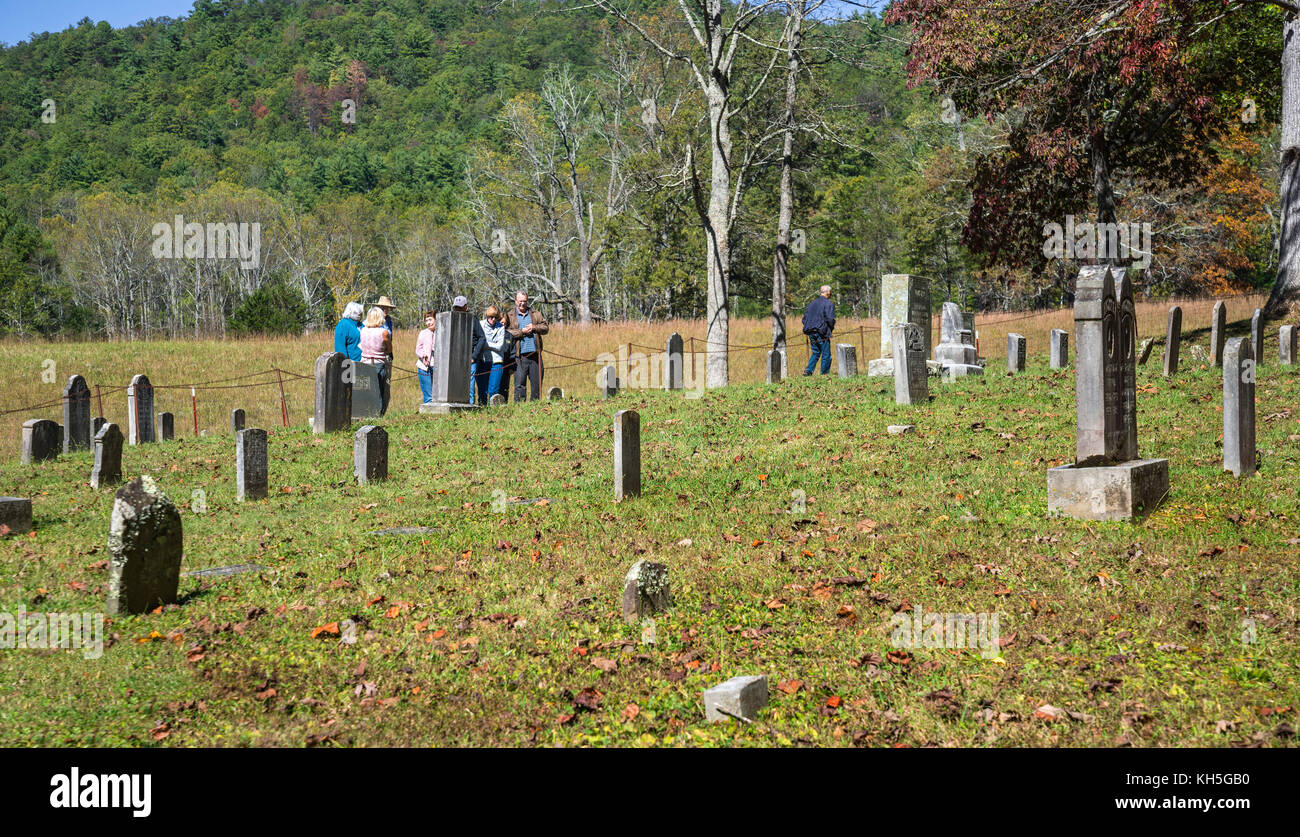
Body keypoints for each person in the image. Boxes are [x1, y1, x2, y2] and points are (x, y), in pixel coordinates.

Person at [504, 290, 548, 401]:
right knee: (519, 386)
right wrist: (521, 332)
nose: (522, 303)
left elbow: (545, 328)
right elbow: (506, 332)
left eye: (524, 301)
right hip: (519, 357)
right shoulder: (509, 315)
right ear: (515, 301)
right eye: (520, 301)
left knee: (536, 386)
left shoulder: (535, 314)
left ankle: (536, 410)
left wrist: (534, 327)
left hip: (535, 355)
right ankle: (519, 411)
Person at [359, 306, 393, 415]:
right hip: (379, 363)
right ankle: (377, 415)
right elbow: (389, 349)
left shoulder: (363, 330)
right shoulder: (384, 332)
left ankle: (366, 413)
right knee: (379, 391)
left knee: (367, 392)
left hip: (364, 363)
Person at [474, 305, 507, 405]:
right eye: (490, 317)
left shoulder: (501, 327)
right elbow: (477, 341)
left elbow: (500, 346)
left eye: (495, 317)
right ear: (487, 316)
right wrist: (485, 344)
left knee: (493, 389)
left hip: (496, 361)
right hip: (482, 360)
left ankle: (493, 409)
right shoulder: (480, 324)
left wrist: (484, 344)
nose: (493, 319)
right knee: (482, 389)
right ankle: (482, 408)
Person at [801, 285, 836, 376]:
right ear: (828, 292)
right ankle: (824, 374)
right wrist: (829, 329)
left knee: (816, 352)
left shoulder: (812, 303)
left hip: (811, 332)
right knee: (826, 355)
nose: (830, 294)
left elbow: (804, 319)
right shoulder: (829, 303)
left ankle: (808, 371)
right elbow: (830, 319)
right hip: (822, 332)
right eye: (830, 292)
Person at [415, 310, 436, 405]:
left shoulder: (442, 333)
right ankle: (427, 415)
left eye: (430, 319)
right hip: (424, 367)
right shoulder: (423, 333)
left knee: (437, 396)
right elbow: (418, 349)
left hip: (437, 367)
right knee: (428, 397)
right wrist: (423, 355)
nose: (428, 322)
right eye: (426, 320)